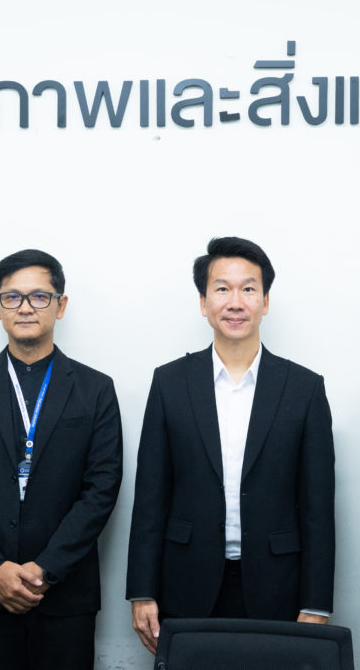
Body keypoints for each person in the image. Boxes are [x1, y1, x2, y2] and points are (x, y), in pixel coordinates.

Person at [126, 236, 336, 654]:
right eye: (222, 289)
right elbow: (151, 495)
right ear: (203, 303)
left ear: (266, 301)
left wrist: (316, 603)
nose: (235, 302)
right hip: (186, 582)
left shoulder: (304, 388)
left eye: (248, 289)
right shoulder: (170, 383)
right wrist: (142, 591)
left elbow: (318, 507)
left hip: (278, 586)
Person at [0, 249, 123, 670]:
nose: (24, 307)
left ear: (61, 304)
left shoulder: (95, 389)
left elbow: (102, 488)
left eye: (39, 296)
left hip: (66, 593)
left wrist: (46, 569)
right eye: (12, 297)